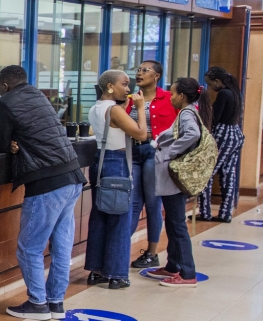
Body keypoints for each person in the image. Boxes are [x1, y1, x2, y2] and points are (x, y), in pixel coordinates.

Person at [0, 65, 84, 321]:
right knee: (61, 246)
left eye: (0, 88)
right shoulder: (38, 95)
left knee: (29, 247)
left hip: (47, 183)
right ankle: (55, 302)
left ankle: (37, 303)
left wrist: (9, 143)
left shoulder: (6, 102)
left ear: (5, 85)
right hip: (72, 177)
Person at [85, 70, 148, 289]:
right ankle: (117, 274)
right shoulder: (114, 110)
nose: (128, 89)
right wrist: (141, 108)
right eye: (124, 84)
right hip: (117, 163)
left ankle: (96, 270)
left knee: (100, 216)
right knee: (120, 220)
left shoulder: (95, 108)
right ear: (110, 86)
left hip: (100, 162)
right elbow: (141, 134)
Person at [147, 78, 212, 288]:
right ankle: (173, 265)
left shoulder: (186, 113)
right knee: (173, 222)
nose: (171, 97)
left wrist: (172, 151)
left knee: (177, 224)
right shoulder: (190, 111)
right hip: (172, 178)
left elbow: (192, 134)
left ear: (182, 96)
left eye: (173, 94)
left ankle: (187, 272)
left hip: (174, 177)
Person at [124, 60, 177, 269]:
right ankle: (121, 248)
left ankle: (152, 252)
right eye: (138, 70)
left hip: (154, 152)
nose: (139, 73)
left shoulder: (167, 98)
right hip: (132, 151)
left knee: (153, 203)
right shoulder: (130, 99)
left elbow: (175, 129)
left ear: (156, 76)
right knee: (133, 202)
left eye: (145, 70)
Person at [199, 67, 245, 221]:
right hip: (235, 133)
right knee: (228, 174)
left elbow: (216, 117)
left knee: (207, 172)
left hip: (222, 134)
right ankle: (226, 212)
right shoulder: (234, 92)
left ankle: (205, 212)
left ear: (217, 81)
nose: (210, 88)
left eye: (210, 84)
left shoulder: (223, 93)